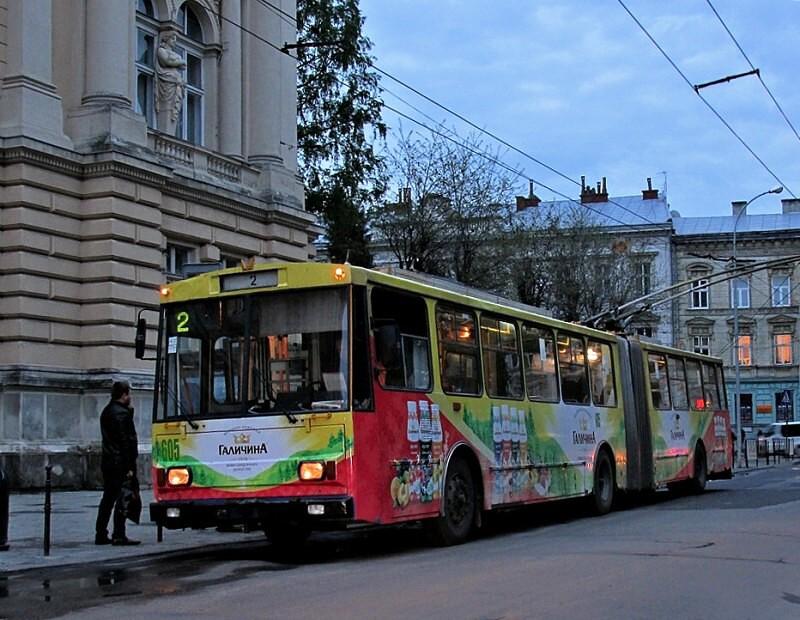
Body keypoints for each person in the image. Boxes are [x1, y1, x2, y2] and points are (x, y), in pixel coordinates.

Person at [95, 381, 140, 546]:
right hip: (120, 462)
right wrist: (129, 466)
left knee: (108, 498)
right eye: (129, 394)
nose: (130, 398)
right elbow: (125, 442)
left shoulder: (107, 411)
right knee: (123, 498)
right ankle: (119, 534)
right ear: (124, 395)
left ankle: (101, 533)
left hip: (108, 461)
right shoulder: (121, 414)